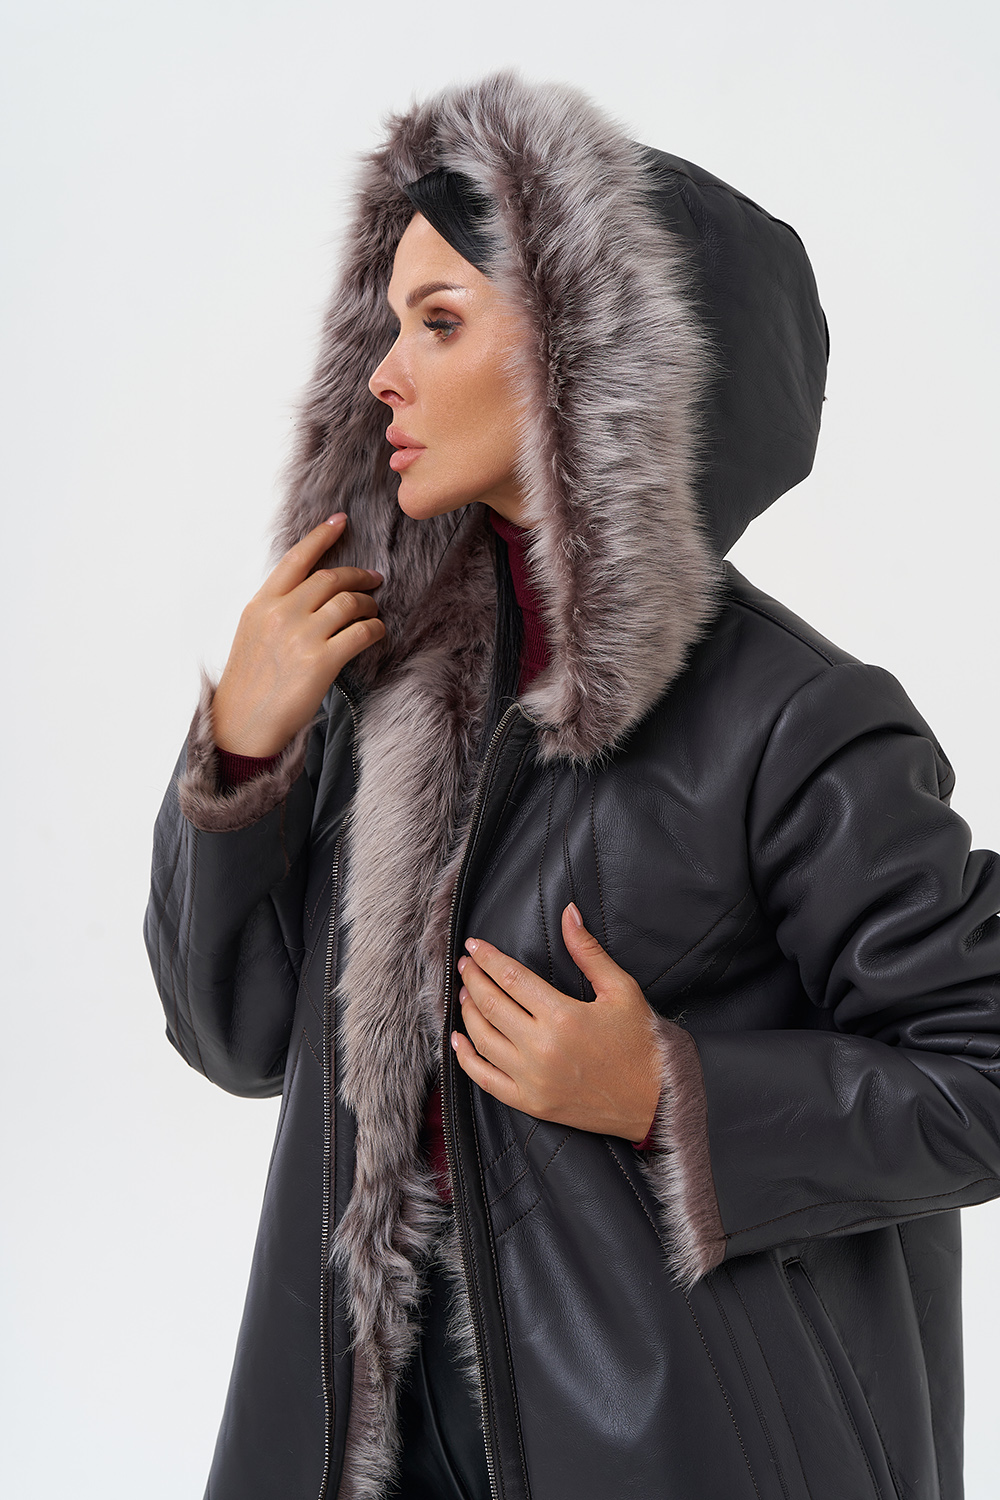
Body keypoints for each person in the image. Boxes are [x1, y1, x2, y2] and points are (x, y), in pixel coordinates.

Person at [144, 71, 1000, 1500]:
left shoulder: (798, 721)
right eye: (388, 325)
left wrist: (672, 1092)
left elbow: (979, 1072)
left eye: (439, 323)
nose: (385, 376)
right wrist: (243, 751)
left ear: (587, 359)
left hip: (678, 1450)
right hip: (368, 1439)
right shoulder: (379, 688)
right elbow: (232, 1037)